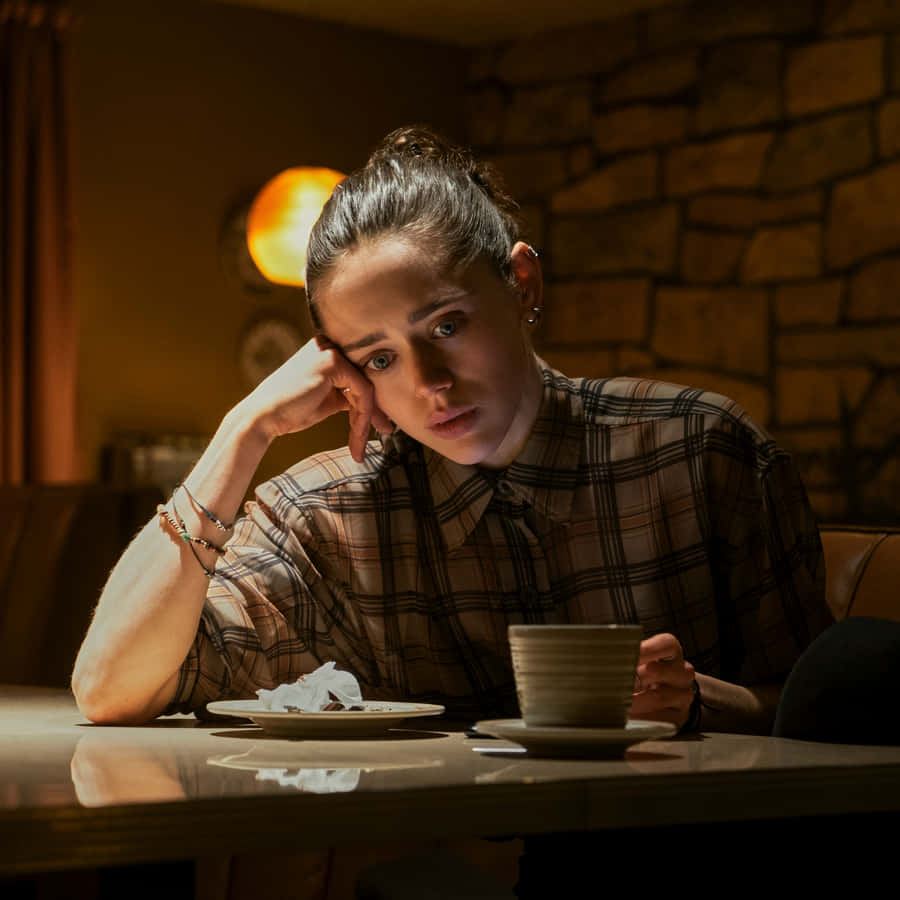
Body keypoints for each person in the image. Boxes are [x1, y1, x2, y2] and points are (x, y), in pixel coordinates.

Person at [72, 125, 834, 737]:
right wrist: (245, 427)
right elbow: (111, 689)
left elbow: (829, 706)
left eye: (446, 324)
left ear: (522, 284)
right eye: (379, 357)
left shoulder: (701, 453)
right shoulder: (325, 520)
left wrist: (702, 702)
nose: (428, 384)